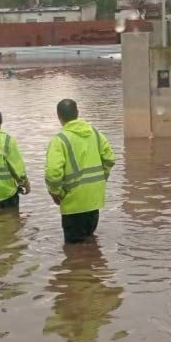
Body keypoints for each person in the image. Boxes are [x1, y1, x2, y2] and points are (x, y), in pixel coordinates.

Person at [45, 99, 116, 244]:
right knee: (89, 243)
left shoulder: (59, 140)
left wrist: (56, 193)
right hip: (94, 200)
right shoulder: (95, 134)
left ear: (59, 116)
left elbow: (53, 173)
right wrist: (102, 179)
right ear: (77, 113)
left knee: (74, 250)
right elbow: (109, 158)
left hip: (73, 204)